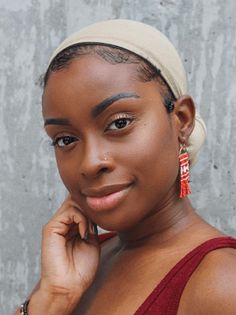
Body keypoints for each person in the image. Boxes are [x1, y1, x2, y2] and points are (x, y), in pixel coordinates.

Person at [16, 19, 236, 315]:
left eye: (119, 123)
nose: (91, 162)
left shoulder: (222, 284)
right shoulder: (80, 264)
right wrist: (54, 296)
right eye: (66, 139)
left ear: (182, 120)